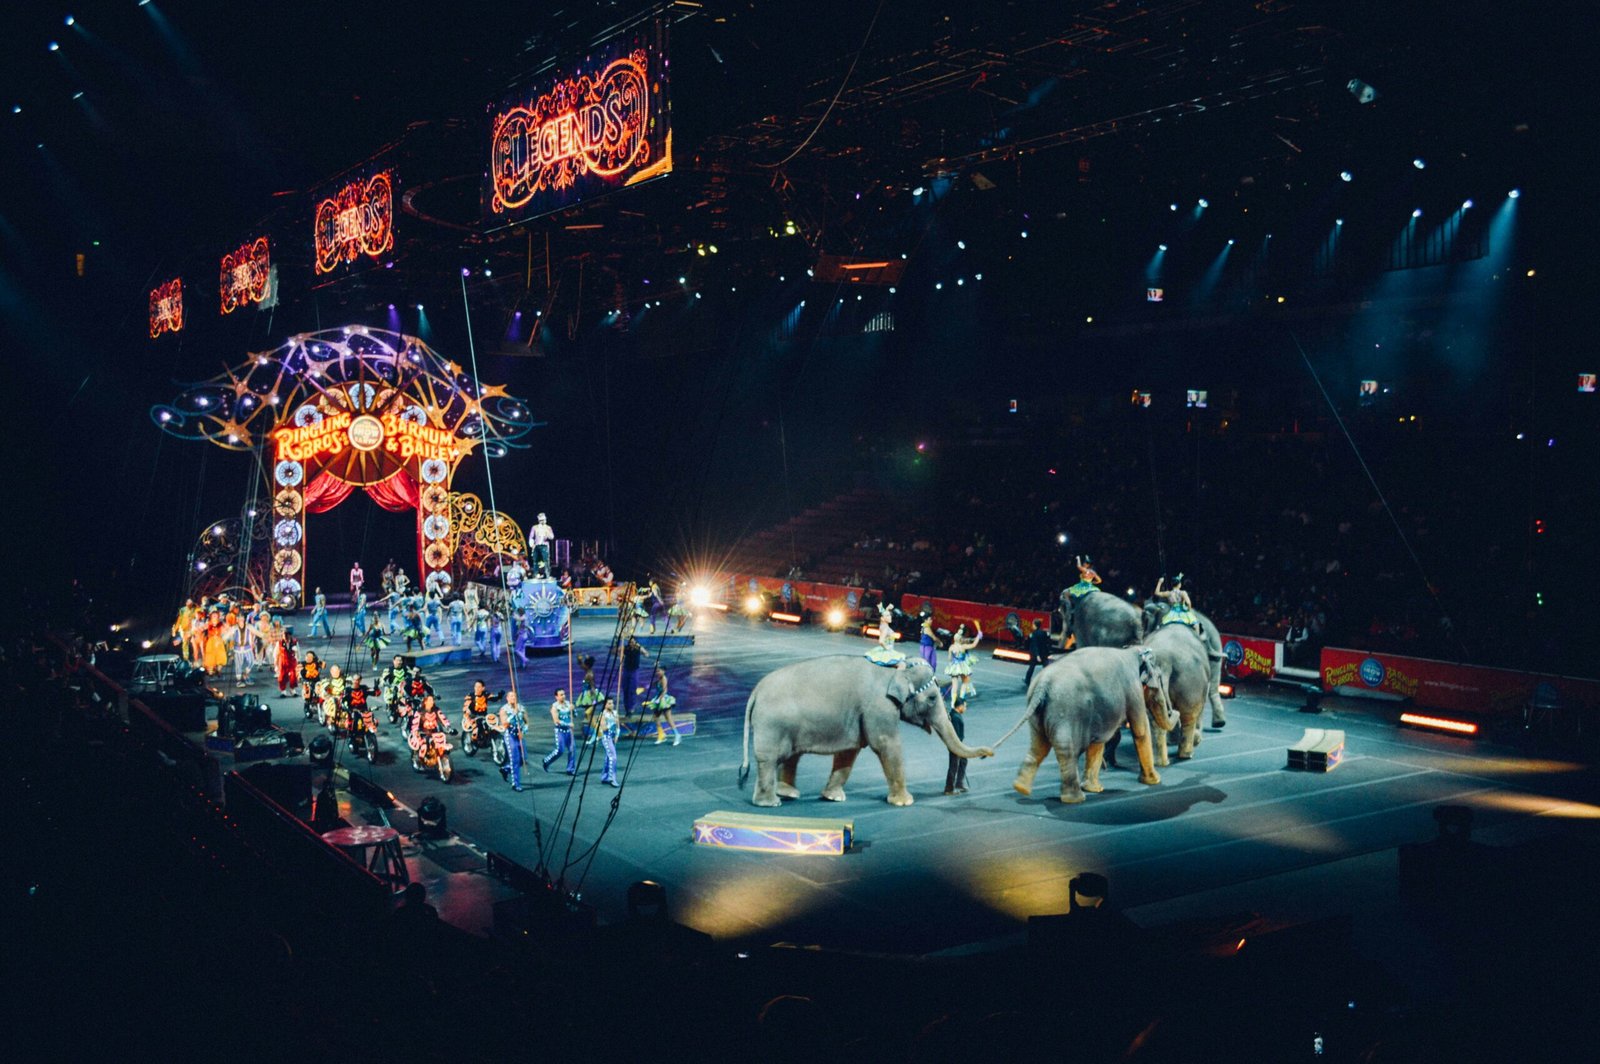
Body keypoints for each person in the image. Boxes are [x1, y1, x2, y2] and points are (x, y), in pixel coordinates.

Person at [641, 665, 682, 746]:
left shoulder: (664, 679)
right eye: (657, 671)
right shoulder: (659, 678)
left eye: (659, 671)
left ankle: (677, 735)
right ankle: (661, 735)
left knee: (668, 718)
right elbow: (653, 684)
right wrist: (645, 687)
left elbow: (664, 690)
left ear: (664, 671)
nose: (657, 672)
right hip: (658, 699)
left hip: (663, 700)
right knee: (656, 718)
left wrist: (658, 700)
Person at [944, 622, 983, 701]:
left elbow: (949, 659)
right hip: (962, 665)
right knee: (965, 682)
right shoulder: (963, 647)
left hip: (954, 666)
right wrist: (978, 636)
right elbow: (973, 645)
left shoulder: (951, 647)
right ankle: (961, 698)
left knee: (955, 685)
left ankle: (953, 702)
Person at [541, 687, 577, 774]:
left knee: (572, 749)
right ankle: (547, 761)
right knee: (559, 751)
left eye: (564, 694)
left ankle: (570, 769)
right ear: (556, 697)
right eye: (561, 695)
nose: (563, 696)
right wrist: (568, 724)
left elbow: (575, 715)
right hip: (560, 731)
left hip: (569, 731)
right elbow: (556, 721)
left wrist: (574, 709)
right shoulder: (554, 707)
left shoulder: (568, 704)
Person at [498, 691, 529, 791]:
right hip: (510, 736)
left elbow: (527, 722)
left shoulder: (521, 708)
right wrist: (512, 716)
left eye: (515, 696)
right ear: (507, 698)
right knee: (515, 760)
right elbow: (504, 724)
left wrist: (523, 731)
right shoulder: (503, 710)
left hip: (519, 736)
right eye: (511, 696)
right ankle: (515, 784)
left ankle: (506, 769)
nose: (513, 698)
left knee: (523, 760)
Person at [461, 681, 502, 749]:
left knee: (491, 726)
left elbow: (494, 698)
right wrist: (468, 716)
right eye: (475, 686)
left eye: (479, 687)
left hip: (483, 716)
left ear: (483, 688)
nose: (477, 688)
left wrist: (499, 696)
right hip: (472, 716)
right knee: (476, 730)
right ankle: (474, 741)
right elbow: (465, 707)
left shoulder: (486, 694)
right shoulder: (470, 696)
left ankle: (489, 739)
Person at [944, 691, 971, 796]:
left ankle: (959, 783)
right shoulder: (955, 717)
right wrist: (959, 747)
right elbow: (955, 735)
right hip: (956, 745)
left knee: (963, 761)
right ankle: (949, 788)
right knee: (953, 765)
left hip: (958, 744)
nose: (965, 708)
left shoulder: (954, 714)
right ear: (960, 706)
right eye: (965, 706)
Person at [574, 657, 602, 745]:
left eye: (584, 665)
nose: (582, 666)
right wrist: (579, 659)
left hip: (591, 697)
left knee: (589, 715)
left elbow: (593, 686)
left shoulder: (590, 674)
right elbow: (580, 665)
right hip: (587, 696)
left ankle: (599, 734)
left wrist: (594, 701)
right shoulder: (587, 670)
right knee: (589, 718)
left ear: (587, 665)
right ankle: (596, 734)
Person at [621, 636, 649, 714]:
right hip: (626, 670)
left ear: (635, 642)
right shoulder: (626, 648)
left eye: (633, 642)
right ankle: (626, 707)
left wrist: (642, 650)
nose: (631, 643)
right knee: (625, 689)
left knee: (632, 689)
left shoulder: (638, 648)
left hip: (634, 671)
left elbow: (646, 654)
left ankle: (631, 707)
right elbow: (615, 652)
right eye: (630, 642)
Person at [598, 696, 621, 787]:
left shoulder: (615, 713)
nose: (612, 705)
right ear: (605, 705)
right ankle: (612, 778)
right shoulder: (602, 715)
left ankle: (604, 777)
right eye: (609, 703)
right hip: (606, 738)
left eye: (612, 703)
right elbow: (603, 728)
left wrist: (617, 735)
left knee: (608, 757)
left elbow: (618, 727)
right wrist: (612, 722)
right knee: (613, 757)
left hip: (612, 738)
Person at [1023, 618, 1053, 687]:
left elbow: (1034, 645)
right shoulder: (1045, 633)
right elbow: (1049, 642)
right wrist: (1049, 652)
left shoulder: (1033, 634)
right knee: (1046, 667)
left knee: (1032, 667)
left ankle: (1027, 680)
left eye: (1033, 624)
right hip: (1044, 653)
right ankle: (1049, 679)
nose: (1032, 626)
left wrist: (1037, 655)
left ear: (1035, 625)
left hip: (1036, 654)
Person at [202, 609, 228, 675]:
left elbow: (227, 630)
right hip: (211, 642)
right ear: (211, 617)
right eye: (213, 616)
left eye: (216, 616)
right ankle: (210, 671)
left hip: (219, 642)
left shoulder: (221, 623)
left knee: (221, 657)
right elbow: (201, 629)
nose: (215, 617)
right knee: (210, 657)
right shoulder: (208, 624)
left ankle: (218, 670)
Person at [528, 512, 554, 577]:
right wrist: (532, 544)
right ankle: (535, 574)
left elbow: (552, 537)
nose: (543, 521)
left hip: (544, 546)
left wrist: (546, 531)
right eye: (541, 520)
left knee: (546, 560)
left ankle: (547, 574)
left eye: (544, 520)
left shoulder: (548, 528)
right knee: (535, 560)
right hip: (537, 545)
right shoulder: (535, 527)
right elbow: (531, 536)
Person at [276, 625, 299, 695]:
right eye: (285, 634)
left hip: (292, 661)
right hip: (283, 661)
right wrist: (276, 664)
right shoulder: (279, 643)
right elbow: (276, 653)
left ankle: (292, 689)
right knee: (282, 676)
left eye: (288, 635)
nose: (286, 636)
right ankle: (283, 691)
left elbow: (298, 652)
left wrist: (298, 659)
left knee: (293, 675)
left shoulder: (295, 642)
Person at [299, 650, 322, 717]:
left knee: (321, 690)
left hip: (316, 681)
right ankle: (307, 707)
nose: (308, 658)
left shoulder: (316, 663)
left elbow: (323, 665)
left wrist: (320, 662)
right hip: (307, 681)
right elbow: (298, 672)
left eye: (310, 656)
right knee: (307, 691)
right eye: (307, 656)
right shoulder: (302, 664)